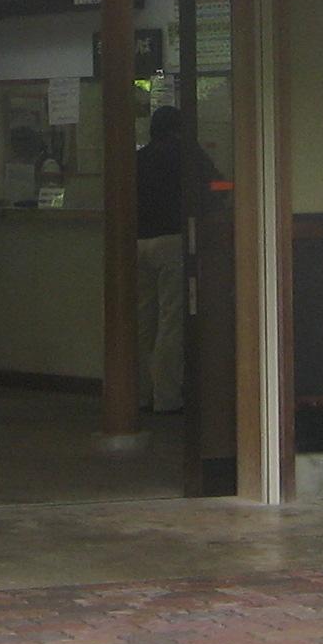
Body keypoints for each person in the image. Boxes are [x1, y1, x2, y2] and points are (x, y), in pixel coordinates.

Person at [134, 104, 207, 416]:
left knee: (142, 322)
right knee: (171, 322)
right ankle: (167, 397)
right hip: (172, 242)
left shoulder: (138, 158)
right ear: (180, 129)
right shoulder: (185, 154)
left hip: (137, 242)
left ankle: (139, 395)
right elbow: (215, 185)